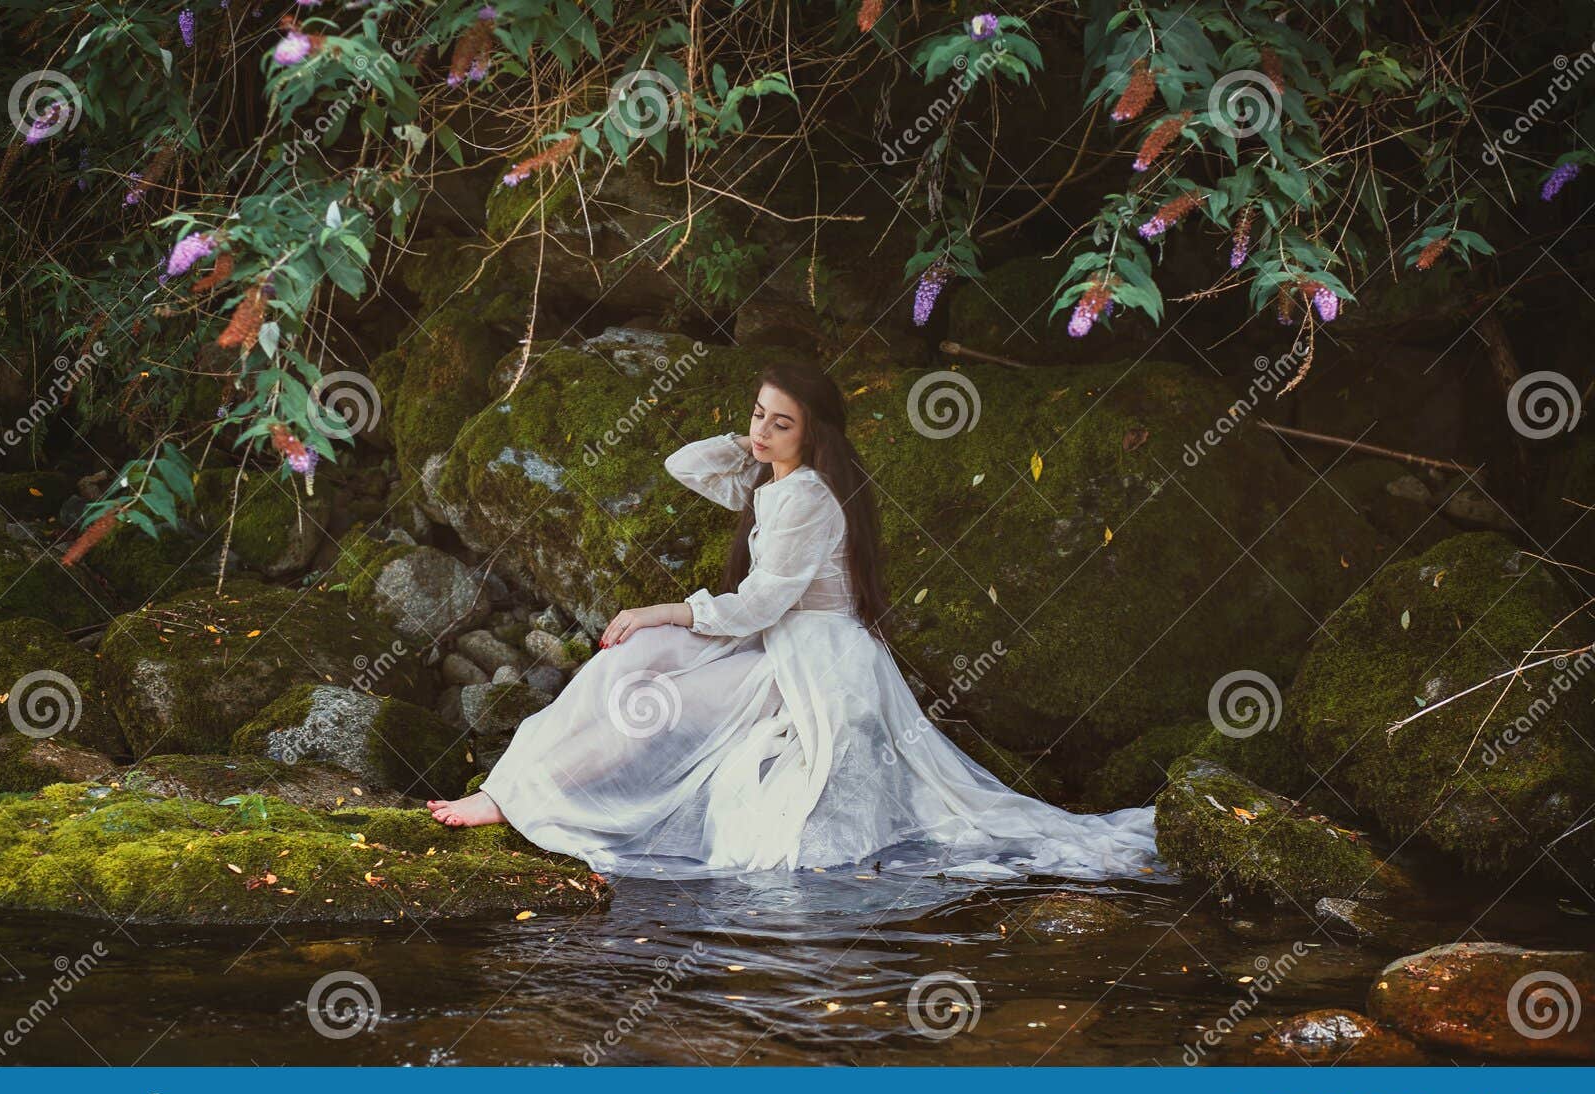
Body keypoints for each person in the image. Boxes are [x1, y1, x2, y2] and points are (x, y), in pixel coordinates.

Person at [426, 362, 1164, 881]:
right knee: (631, 668)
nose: (762, 430)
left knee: (649, 693)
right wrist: (751, 440)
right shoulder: (778, 481)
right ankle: (515, 791)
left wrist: (660, 608)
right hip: (776, 643)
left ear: (815, 437)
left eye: (782, 422)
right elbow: (687, 466)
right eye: (757, 413)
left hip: (810, 658)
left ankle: (518, 799)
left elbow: (764, 602)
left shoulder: (808, 495)